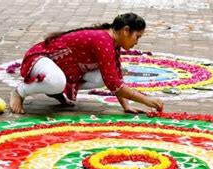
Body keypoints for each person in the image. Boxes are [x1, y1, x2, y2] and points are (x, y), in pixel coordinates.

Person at [10, 13, 164, 114]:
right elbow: (113, 83)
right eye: (137, 36)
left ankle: (57, 90)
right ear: (125, 30)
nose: (137, 42)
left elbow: (114, 78)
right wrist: (146, 100)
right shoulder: (103, 41)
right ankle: (19, 92)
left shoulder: (113, 43)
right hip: (41, 59)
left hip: (62, 68)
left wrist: (126, 106)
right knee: (56, 82)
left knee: (105, 76)